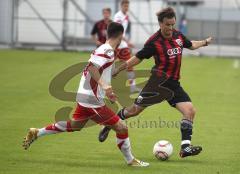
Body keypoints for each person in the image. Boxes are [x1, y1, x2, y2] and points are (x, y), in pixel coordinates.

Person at [22, 22, 149, 167]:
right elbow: (91, 68)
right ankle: (130, 160)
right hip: (91, 100)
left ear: (108, 33)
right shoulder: (107, 50)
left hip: (86, 96)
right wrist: (104, 85)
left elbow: (97, 70)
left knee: (76, 125)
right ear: (121, 36)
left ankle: (37, 132)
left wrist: (108, 91)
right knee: (122, 128)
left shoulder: (104, 48)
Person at [98, 7, 213, 158]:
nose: (170, 28)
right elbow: (138, 57)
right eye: (167, 25)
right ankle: (110, 123)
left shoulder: (178, 36)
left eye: (172, 24)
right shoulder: (154, 42)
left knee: (190, 111)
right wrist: (120, 68)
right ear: (160, 23)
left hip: (173, 85)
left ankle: (185, 148)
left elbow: (190, 45)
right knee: (134, 110)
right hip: (157, 83)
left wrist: (204, 42)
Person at [114, 0, 141, 93]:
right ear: (121, 6)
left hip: (122, 45)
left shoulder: (126, 16)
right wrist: (127, 42)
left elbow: (123, 31)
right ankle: (102, 85)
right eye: (125, 6)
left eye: (127, 6)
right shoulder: (118, 16)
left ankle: (132, 87)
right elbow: (117, 32)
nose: (126, 8)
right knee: (108, 66)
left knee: (130, 64)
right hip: (117, 44)